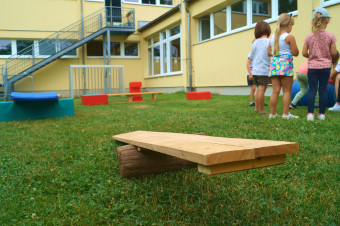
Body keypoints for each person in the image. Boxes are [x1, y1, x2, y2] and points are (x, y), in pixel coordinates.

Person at [302, 7, 337, 120]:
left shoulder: (309, 36)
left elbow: (303, 53)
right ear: (327, 20)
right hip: (326, 66)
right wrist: (327, 55)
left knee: (312, 89)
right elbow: (333, 53)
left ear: (313, 21)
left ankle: (310, 114)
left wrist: (312, 56)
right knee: (323, 90)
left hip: (312, 66)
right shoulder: (331, 36)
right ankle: (321, 114)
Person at [267, 13, 299, 119]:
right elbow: (295, 52)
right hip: (285, 65)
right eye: (292, 26)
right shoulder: (289, 37)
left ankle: (272, 114)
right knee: (286, 90)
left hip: (275, 65)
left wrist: (278, 53)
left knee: (275, 91)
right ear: (289, 24)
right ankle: (285, 114)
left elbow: (268, 52)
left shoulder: (272, 37)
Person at [247, 21, 271, 114]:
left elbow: (251, 56)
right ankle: (261, 110)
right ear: (267, 30)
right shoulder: (269, 41)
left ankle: (257, 108)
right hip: (263, 70)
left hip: (255, 70)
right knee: (262, 89)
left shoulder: (255, 42)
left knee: (259, 89)